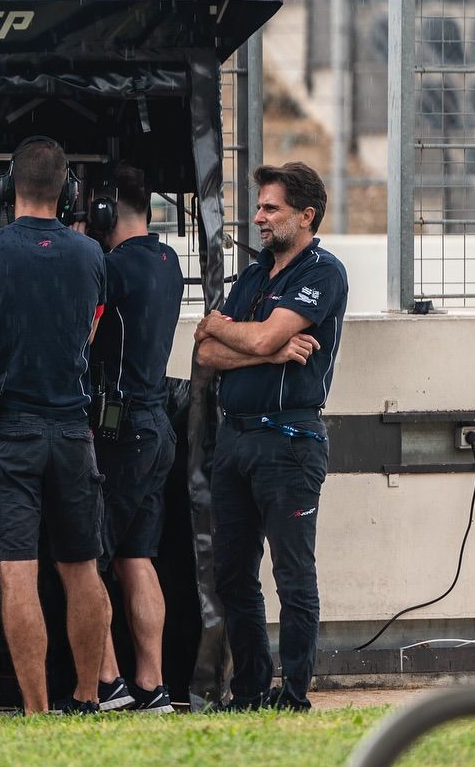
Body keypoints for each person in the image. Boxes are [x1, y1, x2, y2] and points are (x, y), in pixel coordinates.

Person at [0, 135, 110, 715]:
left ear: (8, 187)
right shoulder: (91, 255)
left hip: (8, 429)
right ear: (67, 190)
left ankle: (37, 709)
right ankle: (89, 698)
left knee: (17, 572)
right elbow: (89, 331)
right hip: (72, 430)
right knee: (81, 566)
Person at [195, 162, 346, 712]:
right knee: (233, 573)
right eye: (259, 207)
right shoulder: (254, 277)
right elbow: (204, 352)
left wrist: (241, 334)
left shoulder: (322, 272)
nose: (258, 217)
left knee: (292, 575)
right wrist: (267, 346)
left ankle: (296, 691)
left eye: (270, 208)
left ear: (305, 216)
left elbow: (251, 337)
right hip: (234, 442)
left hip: (289, 443)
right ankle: (251, 689)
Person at [83, 166, 182, 715]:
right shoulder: (166, 261)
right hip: (157, 424)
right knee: (137, 557)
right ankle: (153, 685)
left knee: (90, 556)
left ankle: (109, 681)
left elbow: (86, 332)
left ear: (104, 208)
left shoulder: (111, 267)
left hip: (119, 427)